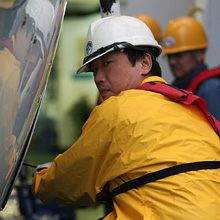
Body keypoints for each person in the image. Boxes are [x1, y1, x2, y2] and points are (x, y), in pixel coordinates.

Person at [32, 16, 220, 220]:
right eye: (94, 69)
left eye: (107, 63)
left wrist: (42, 177)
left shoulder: (116, 110)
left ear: (145, 63)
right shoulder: (189, 108)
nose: (98, 77)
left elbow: (67, 181)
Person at [162, 16, 220, 121]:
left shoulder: (210, 89)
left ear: (200, 53)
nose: (172, 62)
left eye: (178, 55)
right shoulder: (177, 88)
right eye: (169, 56)